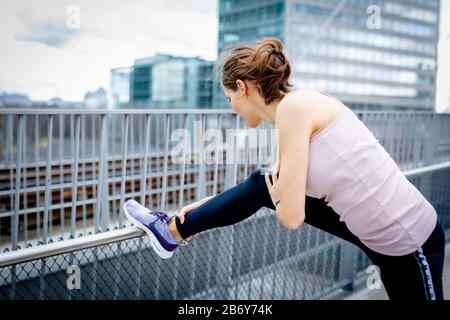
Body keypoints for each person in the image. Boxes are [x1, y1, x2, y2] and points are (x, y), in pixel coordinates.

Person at [123, 37, 445, 300]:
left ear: (242, 87)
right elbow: (263, 187)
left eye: (228, 97)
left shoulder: (295, 108)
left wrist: (277, 195)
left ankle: (172, 231)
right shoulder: (293, 112)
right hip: (378, 239)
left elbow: (291, 217)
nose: (231, 108)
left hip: (409, 239)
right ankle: (173, 229)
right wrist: (202, 209)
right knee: (260, 184)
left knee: (264, 186)